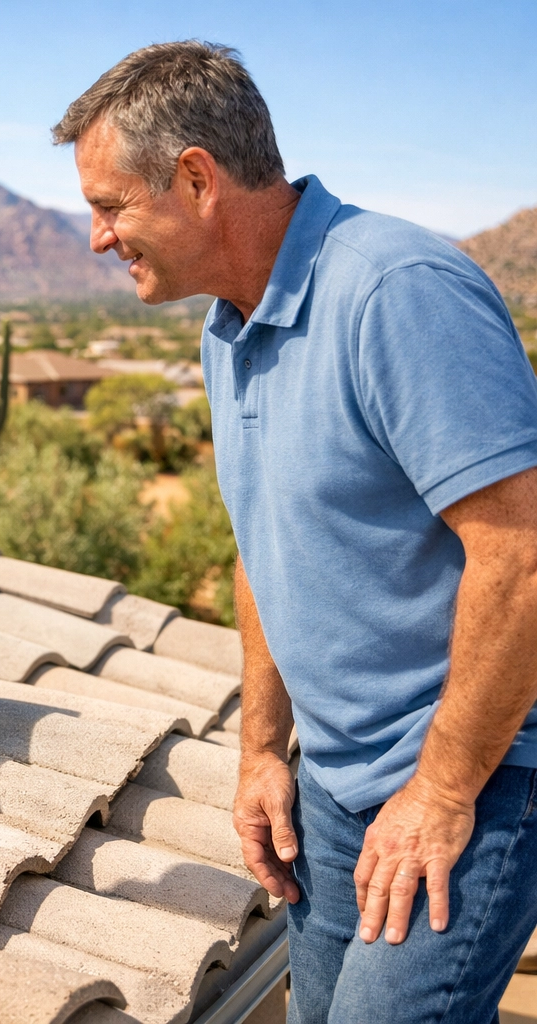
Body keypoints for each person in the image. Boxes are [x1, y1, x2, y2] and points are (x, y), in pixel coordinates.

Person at [55, 42, 537, 1022]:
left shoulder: (394, 291)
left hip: (473, 778)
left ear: (196, 178)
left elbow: (523, 552)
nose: (99, 239)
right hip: (332, 782)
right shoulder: (229, 327)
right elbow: (266, 540)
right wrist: (263, 749)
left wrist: (441, 792)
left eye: (111, 207)